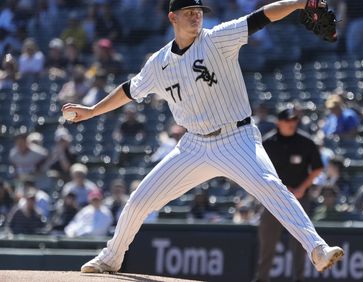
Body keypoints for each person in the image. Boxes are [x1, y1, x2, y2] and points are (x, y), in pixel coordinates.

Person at [63, 0, 343, 274]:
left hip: (237, 138)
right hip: (194, 145)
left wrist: (298, 4)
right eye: (189, 12)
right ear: (173, 17)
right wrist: (92, 110)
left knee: (271, 187)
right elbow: (129, 90)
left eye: (199, 11)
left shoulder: (217, 39)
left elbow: (262, 16)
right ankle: (111, 257)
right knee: (139, 201)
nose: (196, 16)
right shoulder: (158, 64)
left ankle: (318, 250)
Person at [255, 106, 324, 282]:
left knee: (302, 244)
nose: (292, 123)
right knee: (267, 245)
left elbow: (317, 168)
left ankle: (299, 279)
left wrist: (302, 187)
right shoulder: (268, 143)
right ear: (279, 122)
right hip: (273, 200)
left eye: (294, 120)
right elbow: (258, 170)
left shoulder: (306, 142)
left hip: (299, 199)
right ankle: (262, 279)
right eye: (288, 120)